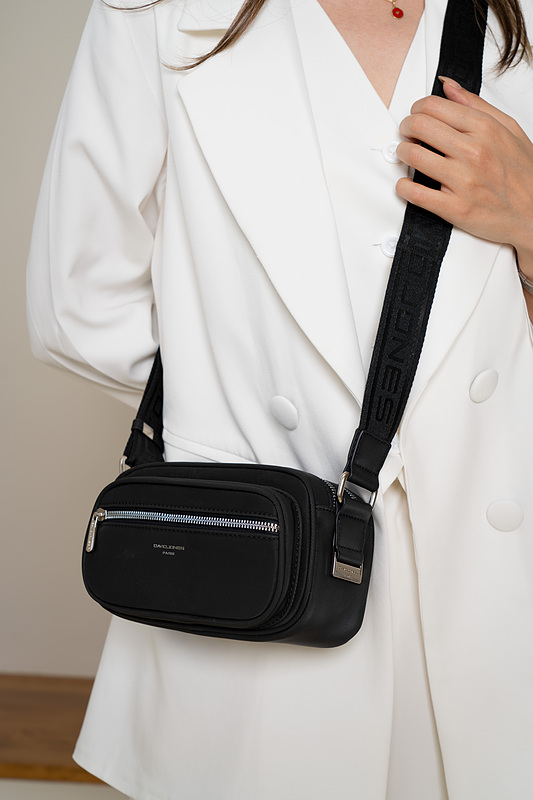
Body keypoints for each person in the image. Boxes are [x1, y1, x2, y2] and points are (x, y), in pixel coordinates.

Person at [26, 0, 533, 798]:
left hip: (499, 598)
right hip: (267, 597)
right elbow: (78, 309)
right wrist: (239, 390)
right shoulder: (153, 12)